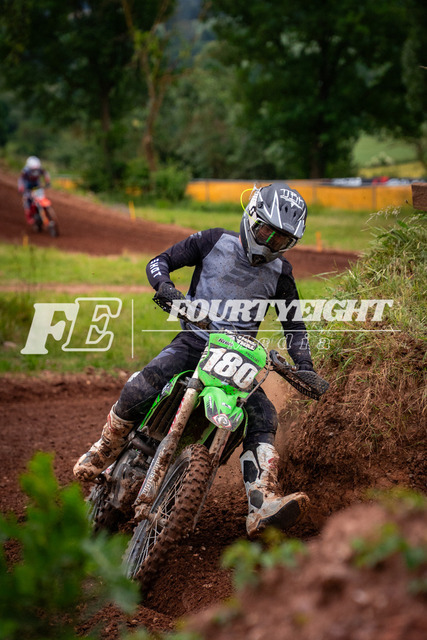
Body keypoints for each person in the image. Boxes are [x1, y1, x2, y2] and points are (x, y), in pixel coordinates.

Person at [74, 182, 315, 538]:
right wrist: (166, 288)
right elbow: (159, 262)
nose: (270, 244)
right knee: (148, 380)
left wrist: (305, 366)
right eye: (267, 232)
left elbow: (294, 324)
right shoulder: (214, 240)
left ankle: (261, 501)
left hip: (238, 357)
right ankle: (106, 447)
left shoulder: (282, 273)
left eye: (281, 240)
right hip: (196, 340)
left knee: (264, 414)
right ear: (251, 218)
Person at [18, 156, 51, 226]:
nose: (35, 170)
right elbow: (21, 179)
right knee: (27, 200)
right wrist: (21, 187)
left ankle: (45, 212)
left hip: (36, 185)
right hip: (27, 186)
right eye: (33, 169)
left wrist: (47, 182)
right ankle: (29, 217)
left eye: (36, 168)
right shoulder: (25, 171)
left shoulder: (40, 169)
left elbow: (46, 174)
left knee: (41, 198)